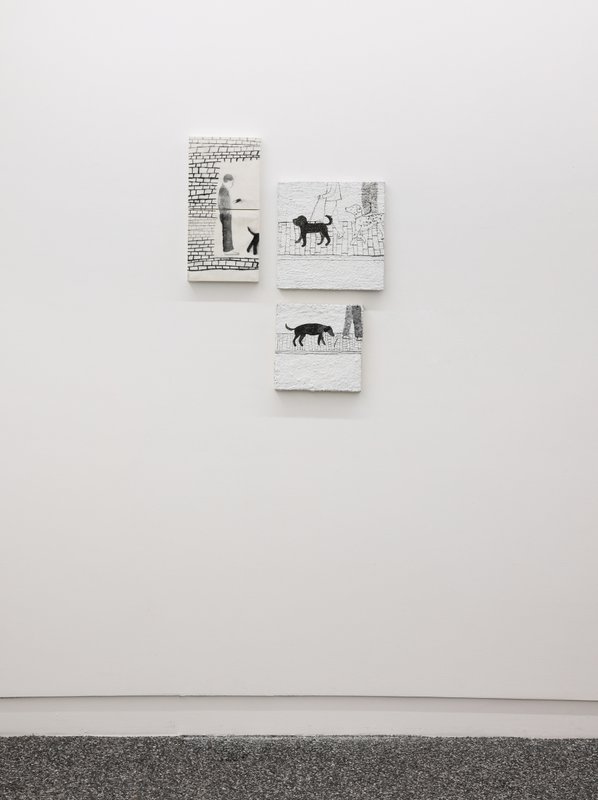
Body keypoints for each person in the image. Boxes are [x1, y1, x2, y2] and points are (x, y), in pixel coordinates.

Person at [218, 174, 242, 253]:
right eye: (231, 183)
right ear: (227, 181)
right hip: (225, 214)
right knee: (227, 233)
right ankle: (228, 251)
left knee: (227, 232)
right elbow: (223, 204)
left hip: (225, 213)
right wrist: (228, 212)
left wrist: (233, 202)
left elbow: (224, 202)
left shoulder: (223, 189)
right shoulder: (224, 190)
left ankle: (228, 250)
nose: (232, 184)